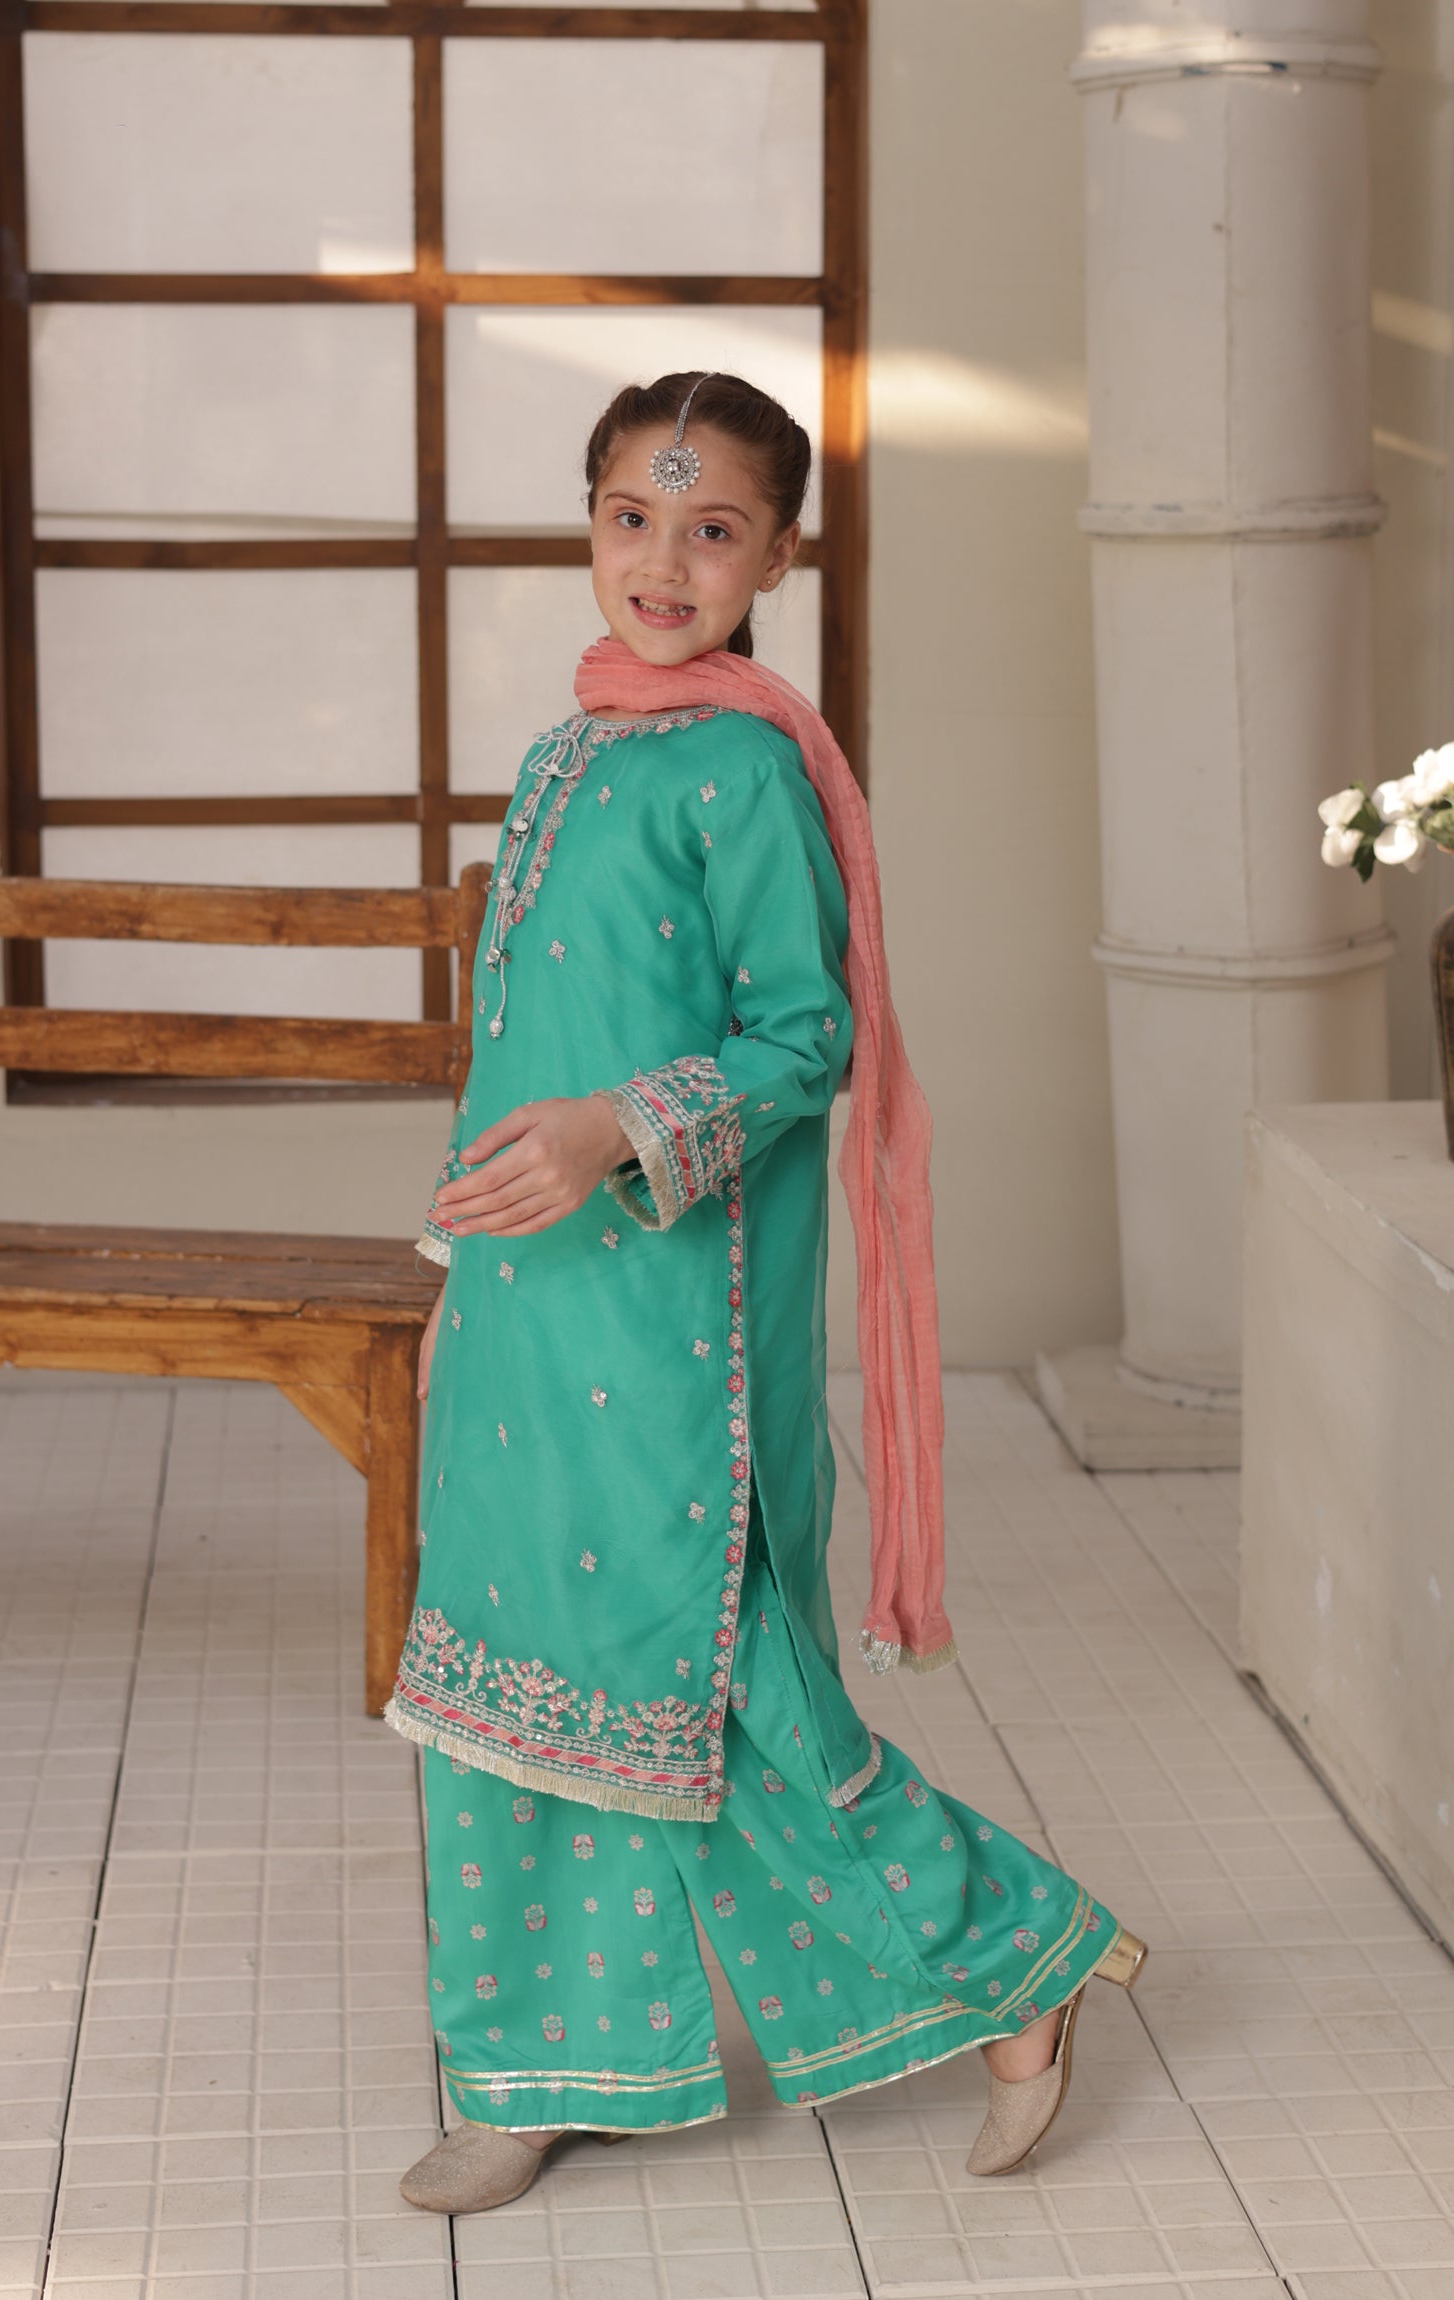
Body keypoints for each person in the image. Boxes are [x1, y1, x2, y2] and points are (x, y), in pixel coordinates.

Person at [387, 371, 1146, 2217]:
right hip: (524, 1313)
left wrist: (613, 1134)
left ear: (779, 558)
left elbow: (809, 1039)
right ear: (587, 523)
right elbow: (512, 1056)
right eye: (631, 518)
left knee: (719, 1699)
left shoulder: (746, 768)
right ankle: (536, 2069)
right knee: (515, 1678)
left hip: (669, 1323)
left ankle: (1022, 1968)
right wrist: (459, 1276)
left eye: (713, 527)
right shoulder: (564, 751)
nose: (664, 561)